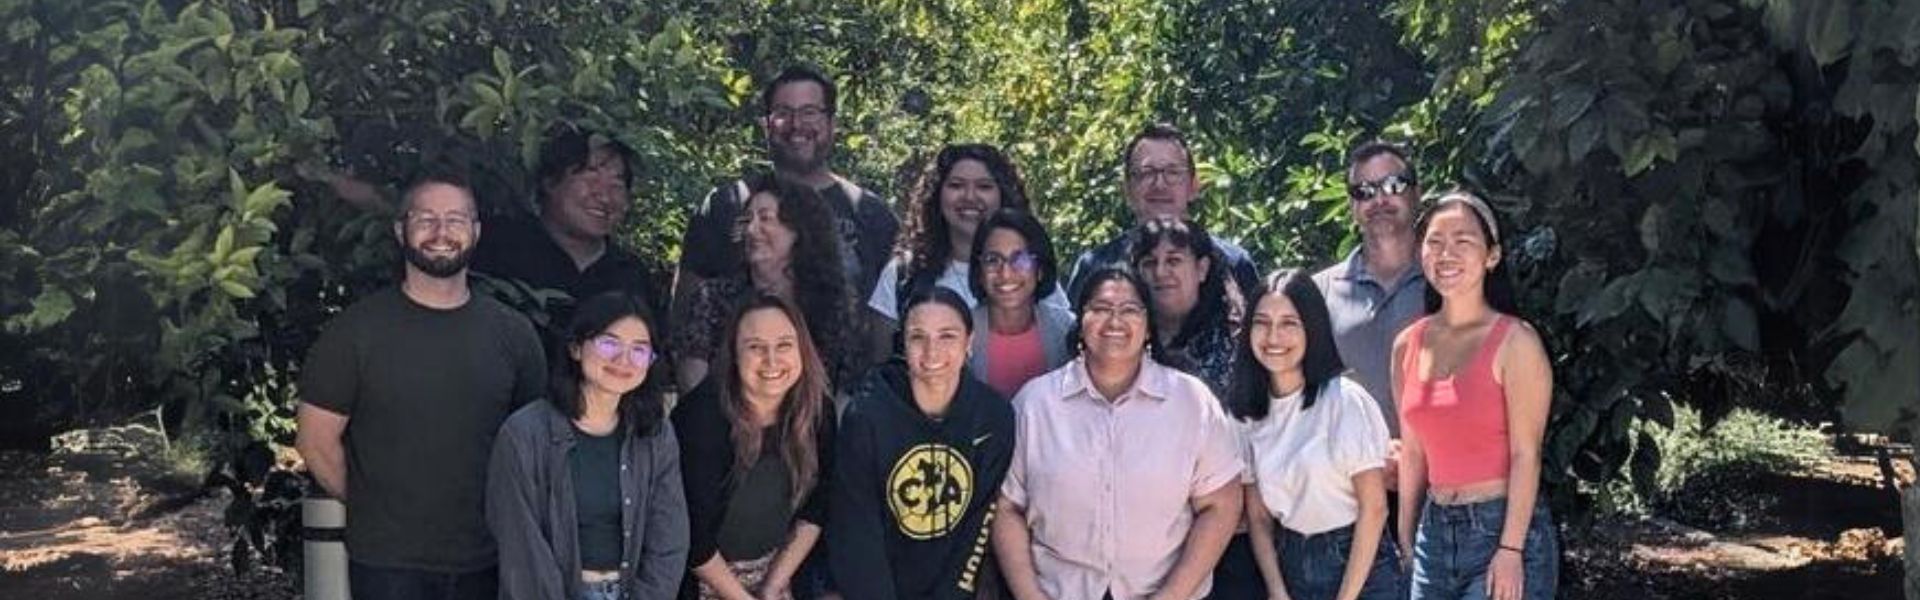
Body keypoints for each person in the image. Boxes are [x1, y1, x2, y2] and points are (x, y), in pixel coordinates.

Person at [295, 172, 547, 599]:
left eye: (456, 219)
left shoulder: (513, 334)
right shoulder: (355, 332)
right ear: (401, 230)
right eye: (426, 218)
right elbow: (315, 442)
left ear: (476, 231)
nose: (441, 232)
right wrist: (376, 508)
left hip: (489, 556)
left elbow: (534, 443)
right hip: (387, 564)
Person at [992, 267, 1245, 600]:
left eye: (1129, 310)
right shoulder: (1035, 404)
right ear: (1080, 322)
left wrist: (1171, 596)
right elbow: (1007, 506)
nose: (1114, 321)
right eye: (1100, 309)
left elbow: (1221, 505)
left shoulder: (1191, 402)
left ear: (1148, 326)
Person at [1394, 191, 1557, 600]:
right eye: (1434, 241)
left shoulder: (1516, 342)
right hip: (1434, 533)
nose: (1446, 253)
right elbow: (1413, 454)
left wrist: (1511, 549)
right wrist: (1407, 537)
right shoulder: (1407, 345)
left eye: (1463, 240)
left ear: (1492, 256)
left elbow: (1526, 453)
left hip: (1501, 528)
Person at [488, 292, 689, 600]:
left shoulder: (655, 434)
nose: (624, 360)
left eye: (639, 350)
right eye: (609, 344)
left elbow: (669, 538)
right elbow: (521, 549)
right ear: (576, 347)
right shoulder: (525, 434)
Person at [830, 287, 1017, 599]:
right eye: (918, 337)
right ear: (903, 343)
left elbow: (977, 528)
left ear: (969, 342)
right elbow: (857, 530)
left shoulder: (993, 416)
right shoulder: (867, 415)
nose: (932, 352)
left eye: (947, 336)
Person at [676, 66, 899, 321]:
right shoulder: (725, 205)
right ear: (766, 125)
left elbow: (889, 321)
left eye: (809, 112)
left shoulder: (872, 215)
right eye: (783, 113)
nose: (796, 125)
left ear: (832, 124)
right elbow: (685, 312)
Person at [1231, 270, 1401, 600]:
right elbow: (1259, 517)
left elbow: (1374, 509)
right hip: (1291, 561)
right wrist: (1277, 590)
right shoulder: (1245, 413)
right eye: (1262, 323)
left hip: (1360, 564)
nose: (1274, 336)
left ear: (1312, 328)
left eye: (1289, 323)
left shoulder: (1345, 401)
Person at [674, 293, 838, 600]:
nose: (772, 360)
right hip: (704, 576)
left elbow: (818, 505)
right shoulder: (701, 418)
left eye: (784, 345)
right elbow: (693, 535)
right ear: (734, 355)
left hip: (779, 570)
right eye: (755, 347)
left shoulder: (817, 410)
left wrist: (773, 587)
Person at [672, 173, 871, 392]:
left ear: (798, 230)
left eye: (765, 218)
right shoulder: (713, 298)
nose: (751, 230)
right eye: (747, 220)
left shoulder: (833, 304)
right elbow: (692, 376)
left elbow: (847, 385)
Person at [472, 125, 660, 318]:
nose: (604, 197)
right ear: (550, 181)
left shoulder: (633, 277)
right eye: (590, 175)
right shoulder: (496, 245)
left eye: (617, 183)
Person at [868, 144, 1067, 322]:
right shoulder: (904, 274)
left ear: (1003, 195)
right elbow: (883, 350)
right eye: (956, 185)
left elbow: (1060, 340)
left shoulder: (1029, 268)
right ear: (936, 195)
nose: (970, 197)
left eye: (984, 187)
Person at [1066, 123, 1258, 304]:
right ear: (1127, 190)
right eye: (1146, 173)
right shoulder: (1096, 266)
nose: (1159, 184)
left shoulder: (1233, 264)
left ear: (1194, 186)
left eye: (1172, 172)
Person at [1311, 141, 1428, 432]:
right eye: (1364, 192)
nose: (1379, 200)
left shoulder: (1448, 279)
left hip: (1444, 457)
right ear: (1352, 206)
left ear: (1417, 192)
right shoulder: (1320, 292)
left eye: (1393, 186)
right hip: (1353, 459)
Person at [965, 209, 1076, 398]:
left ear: (1040, 269)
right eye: (993, 260)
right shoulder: (960, 332)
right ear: (979, 271)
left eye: (1020, 259)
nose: (1006, 273)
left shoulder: (1066, 328)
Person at [1129, 218, 1241, 399]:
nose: (1160, 272)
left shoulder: (1237, 342)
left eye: (1173, 261)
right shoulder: (1123, 337)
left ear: (1202, 269)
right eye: (1150, 262)